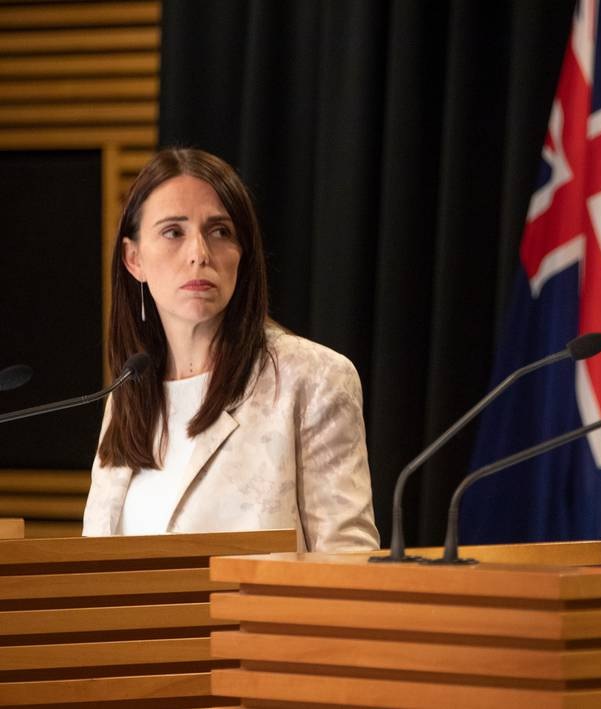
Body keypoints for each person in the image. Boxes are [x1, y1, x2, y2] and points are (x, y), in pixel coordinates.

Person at [83, 148, 379, 552]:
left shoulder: (314, 378)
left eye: (220, 231)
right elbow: (95, 563)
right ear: (134, 259)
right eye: (173, 232)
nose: (199, 254)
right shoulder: (127, 394)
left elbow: (347, 559)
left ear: (243, 253)